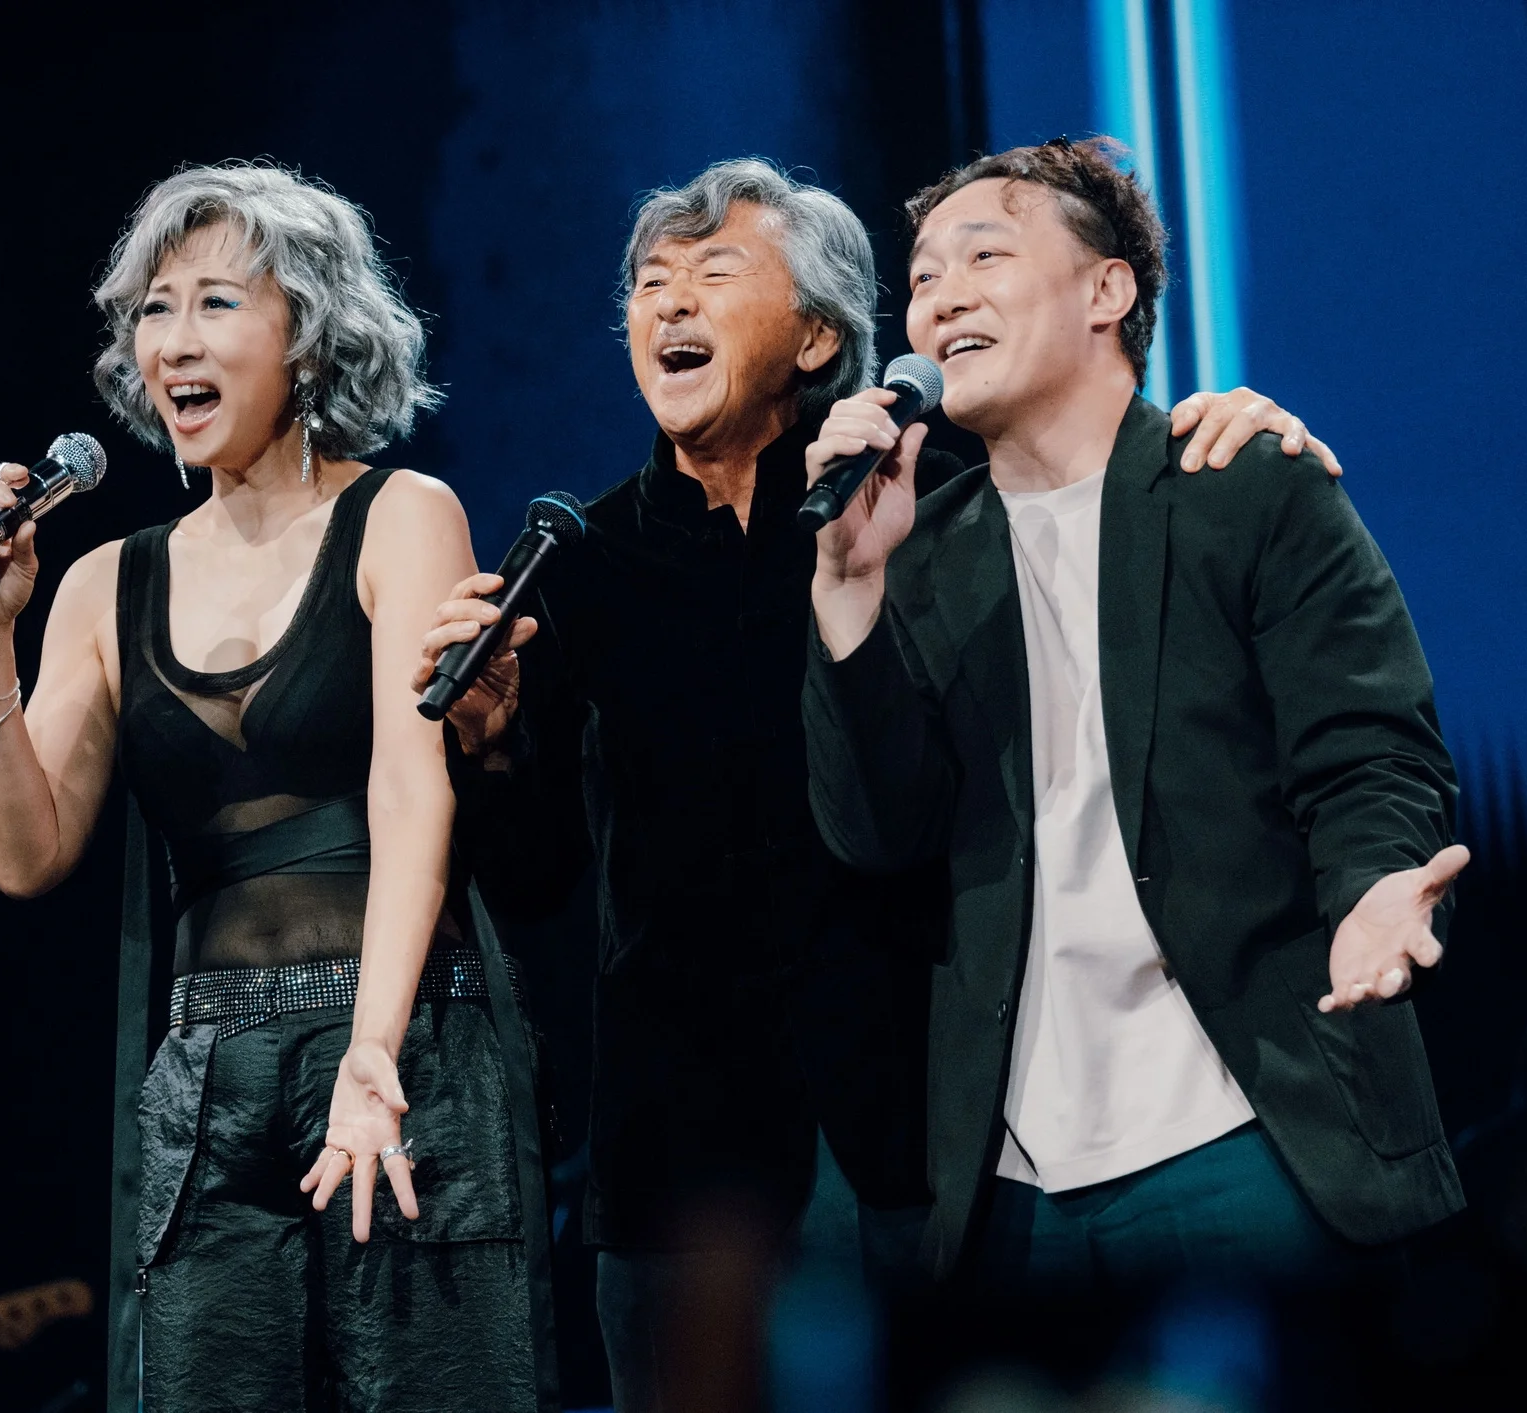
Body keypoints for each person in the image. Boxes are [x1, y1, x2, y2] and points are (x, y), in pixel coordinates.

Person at [413, 156, 1337, 1411]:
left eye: (713, 274)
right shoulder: (580, 565)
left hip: (924, 1138)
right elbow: (534, 887)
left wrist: (1230, 433)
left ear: (816, 340)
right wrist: (491, 746)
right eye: (647, 284)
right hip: (683, 1162)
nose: (667, 304)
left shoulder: (939, 518)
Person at [802, 137, 1467, 1331]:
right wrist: (846, 594)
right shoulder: (916, 554)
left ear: (1106, 290)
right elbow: (874, 835)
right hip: (1010, 1189)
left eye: (982, 257)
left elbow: (1367, 749)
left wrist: (1373, 887)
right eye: (922, 277)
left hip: (1244, 1133)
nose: (938, 297)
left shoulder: (1243, 485)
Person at [0, 163, 553, 1412]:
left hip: (396, 1042)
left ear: (307, 337)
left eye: (215, 303)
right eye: (153, 311)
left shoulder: (401, 515)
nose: (173, 342)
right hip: (207, 1078)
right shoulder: (106, 582)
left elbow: (411, 792)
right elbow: (20, 855)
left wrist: (372, 1051)